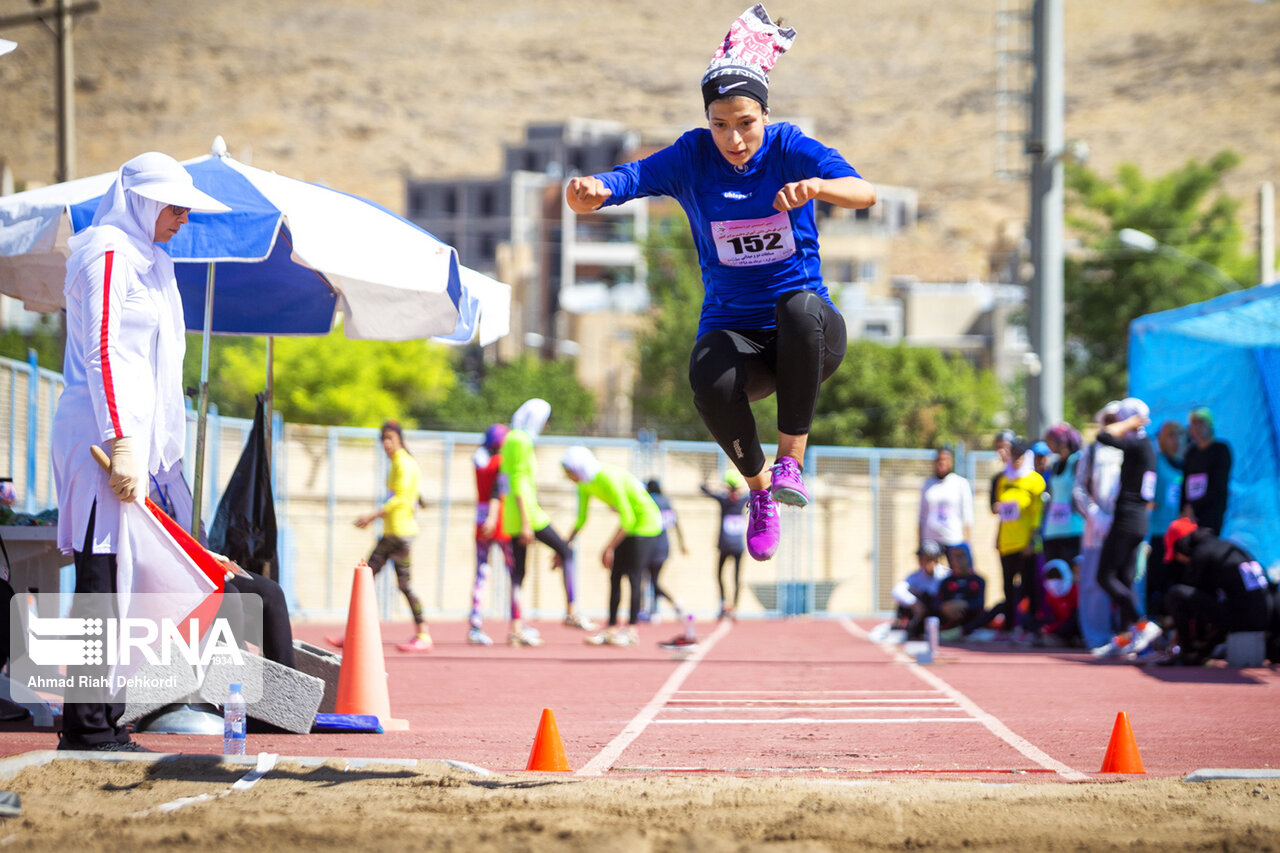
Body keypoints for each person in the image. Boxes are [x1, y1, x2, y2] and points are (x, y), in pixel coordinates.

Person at [565, 5, 876, 563]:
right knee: (706, 374)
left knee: (799, 308)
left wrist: (815, 189)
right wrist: (590, 190)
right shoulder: (692, 156)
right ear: (707, 120)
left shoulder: (788, 147)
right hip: (739, 335)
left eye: (745, 123)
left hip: (810, 338)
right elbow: (632, 177)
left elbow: (865, 192)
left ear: (764, 114)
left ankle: (790, 461)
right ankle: (761, 491)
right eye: (720, 124)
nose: (733, 137)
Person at [50, 151, 230, 751]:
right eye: (176, 208)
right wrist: (121, 439)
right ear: (146, 203)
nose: (183, 219)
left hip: (131, 442)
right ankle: (86, 725)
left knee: (127, 581)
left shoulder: (151, 260)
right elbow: (102, 349)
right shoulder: (105, 251)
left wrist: (154, 451)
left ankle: (106, 716)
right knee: (101, 578)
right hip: (99, 437)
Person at [483, 398, 594, 646]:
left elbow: (505, 481)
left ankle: (516, 628)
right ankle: (572, 611)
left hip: (513, 515)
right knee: (565, 551)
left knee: (518, 574)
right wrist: (526, 523)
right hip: (528, 516)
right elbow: (520, 483)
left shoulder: (510, 438)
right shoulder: (522, 441)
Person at [561, 447, 665, 647]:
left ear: (578, 467)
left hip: (646, 524)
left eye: (568, 471)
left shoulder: (608, 477)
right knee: (615, 575)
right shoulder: (583, 484)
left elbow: (628, 518)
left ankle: (632, 631)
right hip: (629, 526)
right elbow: (581, 519)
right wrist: (565, 545)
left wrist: (608, 548)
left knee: (634, 577)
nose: (567, 476)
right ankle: (610, 629)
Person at [345, 420, 432, 653]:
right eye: (383, 439)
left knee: (373, 578)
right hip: (394, 532)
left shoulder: (403, 462)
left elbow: (402, 498)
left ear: (400, 440)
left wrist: (372, 515)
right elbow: (410, 494)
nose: (385, 443)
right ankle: (354, 635)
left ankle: (422, 634)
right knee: (370, 578)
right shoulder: (399, 462)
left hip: (400, 534)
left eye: (389, 438)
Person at [1090, 399, 1162, 659]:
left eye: (1123, 418)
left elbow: (1103, 435)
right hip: (1138, 520)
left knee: (1105, 576)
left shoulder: (1137, 444)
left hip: (1127, 520)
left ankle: (1143, 625)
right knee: (1124, 581)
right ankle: (1125, 637)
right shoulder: (1145, 447)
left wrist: (1129, 423)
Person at [1160, 517, 1271, 666]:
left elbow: (1197, 604)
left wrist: (1180, 633)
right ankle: (1200, 650)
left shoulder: (1201, 554)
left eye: (1177, 555)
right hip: (1266, 616)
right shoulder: (1225, 547)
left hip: (1243, 619)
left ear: (1181, 546)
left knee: (1177, 594)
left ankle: (1187, 651)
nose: (1180, 560)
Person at [1072, 401, 1123, 651]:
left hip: (1124, 528)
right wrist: (1095, 514)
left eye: (1118, 419)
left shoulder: (1130, 448)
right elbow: (1079, 488)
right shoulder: (1091, 452)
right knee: (1093, 583)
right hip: (1096, 531)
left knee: (1127, 581)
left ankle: (1126, 635)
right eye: (1110, 419)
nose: (1114, 424)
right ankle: (1097, 637)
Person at [991, 437, 1045, 640]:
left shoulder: (1035, 481)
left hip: (1025, 543)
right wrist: (997, 536)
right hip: (1007, 542)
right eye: (1013, 456)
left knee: (1029, 586)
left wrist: (1032, 541)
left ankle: (1031, 627)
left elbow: (1036, 515)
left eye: (1019, 456)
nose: (1015, 460)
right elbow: (1002, 514)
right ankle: (1010, 626)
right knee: (1007, 586)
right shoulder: (1004, 480)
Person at [467, 424, 516, 646]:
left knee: (481, 573)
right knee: (515, 574)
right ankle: (517, 624)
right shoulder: (500, 462)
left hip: (481, 518)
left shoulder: (479, 461)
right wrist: (493, 518)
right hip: (499, 521)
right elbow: (498, 491)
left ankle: (475, 624)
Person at [1145, 420, 1185, 621]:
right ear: (1160, 438)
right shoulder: (1155, 462)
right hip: (1159, 535)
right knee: (1156, 582)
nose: (1175, 440)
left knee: (1176, 581)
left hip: (1179, 537)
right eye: (1170, 435)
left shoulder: (1186, 464)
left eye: (1178, 435)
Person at [918, 446, 975, 577]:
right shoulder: (927, 484)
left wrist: (967, 543)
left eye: (945, 459)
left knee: (958, 576)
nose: (941, 463)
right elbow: (921, 516)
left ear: (951, 462)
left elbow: (968, 515)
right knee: (931, 578)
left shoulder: (960, 483)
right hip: (931, 540)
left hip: (953, 539)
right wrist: (920, 543)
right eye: (938, 459)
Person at [700, 469, 750, 620]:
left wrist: (715, 483)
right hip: (738, 546)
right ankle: (733, 607)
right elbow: (756, 492)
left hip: (724, 544)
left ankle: (723, 604)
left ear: (727, 486)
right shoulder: (742, 499)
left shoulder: (723, 499)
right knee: (736, 578)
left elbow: (703, 488)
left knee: (719, 575)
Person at [1180, 406, 1232, 533]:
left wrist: (1195, 507)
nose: (1196, 429)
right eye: (1193, 425)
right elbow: (1185, 482)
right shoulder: (1191, 453)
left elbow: (1218, 484)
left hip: (1210, 513)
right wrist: (1185, 509)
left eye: (1200, 424)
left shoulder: (1221, 450)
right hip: (1190, 515)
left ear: (1210, 425)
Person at [644, 478, 689, 623]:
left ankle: (672, 603)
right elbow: (676, 523)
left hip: (651, 546)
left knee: (651, 581)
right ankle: (654, 610)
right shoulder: (667, 501)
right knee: (654, 579)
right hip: (665, 547)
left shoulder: (650, 500)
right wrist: (682, 543)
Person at [1041, 423, 1084, 571]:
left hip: (1073, 529)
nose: (1048, 445)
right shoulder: (1053, 465)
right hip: (1052, 530)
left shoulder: (1077, 461)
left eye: (1050, 441)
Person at [890, 541, 950, 641]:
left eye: (929, 559)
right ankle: (909, 630)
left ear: (936, 560)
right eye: (922, 559)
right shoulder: (915, 577)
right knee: (904, 605)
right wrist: (915, 603)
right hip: (922, 612)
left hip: (940, 613)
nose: (925, 562)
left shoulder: (946, 575)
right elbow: (897, 591)